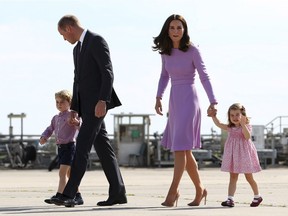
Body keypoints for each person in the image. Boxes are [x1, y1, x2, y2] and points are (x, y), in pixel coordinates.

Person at [54, 15, 126, 207]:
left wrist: (103, 100)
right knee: (103, 148)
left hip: (97, 106)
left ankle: (69, 193)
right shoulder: (77, 48)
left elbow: (107, 72)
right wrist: (75, 109)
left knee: (82, 146)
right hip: (85, 107)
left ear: (69, 28)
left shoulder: (96, 41)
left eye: (62, 34)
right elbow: (77, 80)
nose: (63, 39)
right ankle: (118, 192)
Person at [153, 14, 218, 207]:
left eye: (179, 28)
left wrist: (213, 101)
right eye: (172, 27)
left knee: (180, 148)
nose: (175, 31)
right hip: (174, 100)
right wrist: (158, 97)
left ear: (184, 29)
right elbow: (164, 76)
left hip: (190, 100)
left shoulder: (192, 50)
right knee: (184, 151)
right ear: (167, 29)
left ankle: (173, 191)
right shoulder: (165, 52)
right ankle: (200, 190)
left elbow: (204, 76)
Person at [207, 103, 263, 207]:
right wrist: (213, 116)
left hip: (245, 155)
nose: (235, 117)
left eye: (237, 114)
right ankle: (230, 199)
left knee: (249, 177)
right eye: (232, 115)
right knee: (233, 177)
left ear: (243, 115)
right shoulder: (230, 128)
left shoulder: (246, 127)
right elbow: (219, 124)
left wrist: (242, 124)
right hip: (233, 155)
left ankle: (257, 196)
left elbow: (247, 136)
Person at [40, 90, 83, 205]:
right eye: (57, 102)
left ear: (69, 102)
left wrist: (77, 123)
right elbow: (50, 129)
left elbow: (81, 127)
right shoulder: (56, 118)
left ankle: (60, 195)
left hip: (70, 147)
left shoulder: (72, 115)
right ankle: (78, 196)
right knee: (69, 174)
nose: (59, 104)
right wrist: (44, 136)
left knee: (62, 173)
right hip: (61, 148)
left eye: (62, 102)